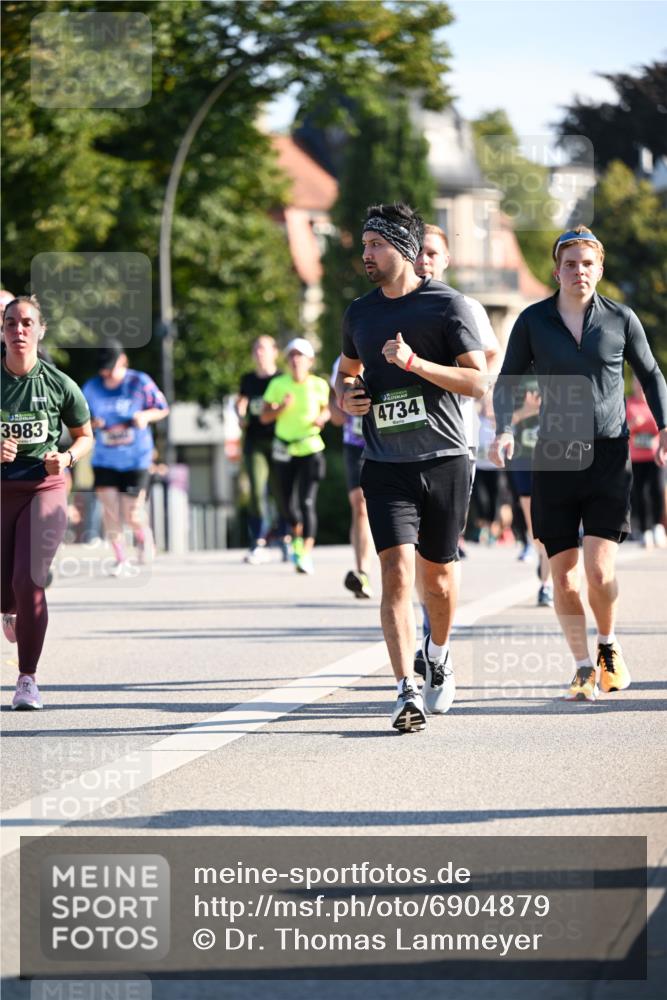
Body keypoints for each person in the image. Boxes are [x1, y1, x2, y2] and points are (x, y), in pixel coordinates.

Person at [490, 226, 667, 702]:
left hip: (609, 454)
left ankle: (608, 644)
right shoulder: (532, 321)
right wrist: (505, 428)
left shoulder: (621, 319)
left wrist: (665, 423)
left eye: (587, 263)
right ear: (556, 270)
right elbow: (508, 379)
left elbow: (650, 373)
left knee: (598, 571)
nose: (578, 271)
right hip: (555, 455)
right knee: (564, 574)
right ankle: (582, 666)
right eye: (570, 263)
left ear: (599, 269)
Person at [335, 202, 487, 733]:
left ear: (403, 247)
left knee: (438, 580)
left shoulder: (448, 307)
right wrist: (348, 396)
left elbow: (478, 383)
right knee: (396, 575)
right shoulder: (359, 312)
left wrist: (416, 364)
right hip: (385, 462)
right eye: (364, 246)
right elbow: (347, 373)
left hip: (445, 458)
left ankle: (439, 655)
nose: (366, 255)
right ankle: (405, 691)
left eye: (376, 245)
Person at [1, 296, 93, 709]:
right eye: (10, 324)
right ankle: (8, 608)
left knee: (30, 579)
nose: (18, 330)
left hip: (45, 488)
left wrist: (67, 457)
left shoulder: (59, 384)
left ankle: (27, 680)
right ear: (1, 332)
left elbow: (85, 435)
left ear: (40, 331)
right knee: (6, 588)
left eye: (26, 323)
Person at [82, 342, 169, 575]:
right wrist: (92, 424)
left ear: (123, 361)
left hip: (136, 458)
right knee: (110, 509)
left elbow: (162, 408)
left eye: (110, 367)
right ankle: (121, 559)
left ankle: (144, 537)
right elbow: (78, 420)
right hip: (105, 459)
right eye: (102, 368)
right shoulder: (91, 387)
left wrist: (145, 416)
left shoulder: (139, 382)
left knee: (132, 512)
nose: (106, 373)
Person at [261, 338, 330, 575]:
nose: (295, 360)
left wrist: (323, 417)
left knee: (307, 502)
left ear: (310, 361)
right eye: (291, 355)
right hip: (284, 448)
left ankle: (305, 553)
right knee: (287, 505)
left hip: (311, 447)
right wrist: (280, 408)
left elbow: (327, 408)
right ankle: (296, 536)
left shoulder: (318, 384)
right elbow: (264, 417)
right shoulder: (278, 384)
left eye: (300, 356)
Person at [236, 336, 283, 564]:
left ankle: (286, 536)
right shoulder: (248, 379)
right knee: (256, 491)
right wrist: (240, 414)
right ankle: (258, 541)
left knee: (281, 491)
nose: (259, 353)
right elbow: (241, 401)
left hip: (279, 440)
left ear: (275, 352)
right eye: (256, 349)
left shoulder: (282, 379)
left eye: (263, 348)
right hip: (254, 441)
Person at [329, 357, 373, 599]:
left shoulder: (392, 350)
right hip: (356, 444)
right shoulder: (343, 362)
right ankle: (362, 572)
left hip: (390, 440)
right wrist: (345, 406)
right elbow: (336, 414)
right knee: (360, 505)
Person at [507, 381, 553, 606]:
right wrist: (527, 410)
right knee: (535, 529)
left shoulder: (557, 367)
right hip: (523, 459)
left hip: (553, 459)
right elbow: (499, 420)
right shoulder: (516, 375)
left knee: (551, 525)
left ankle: (546, 584)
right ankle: (543, 557)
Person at [626, 376, 666, 548]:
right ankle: (645, 529)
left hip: (655, 455)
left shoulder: (655, 403)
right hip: (636, 457)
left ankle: (658, 526)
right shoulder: (629, 404)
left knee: (657, 489)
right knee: (640, 493)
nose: (640, 387)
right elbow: (623, 428)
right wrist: (634, 424)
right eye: (637, 383)